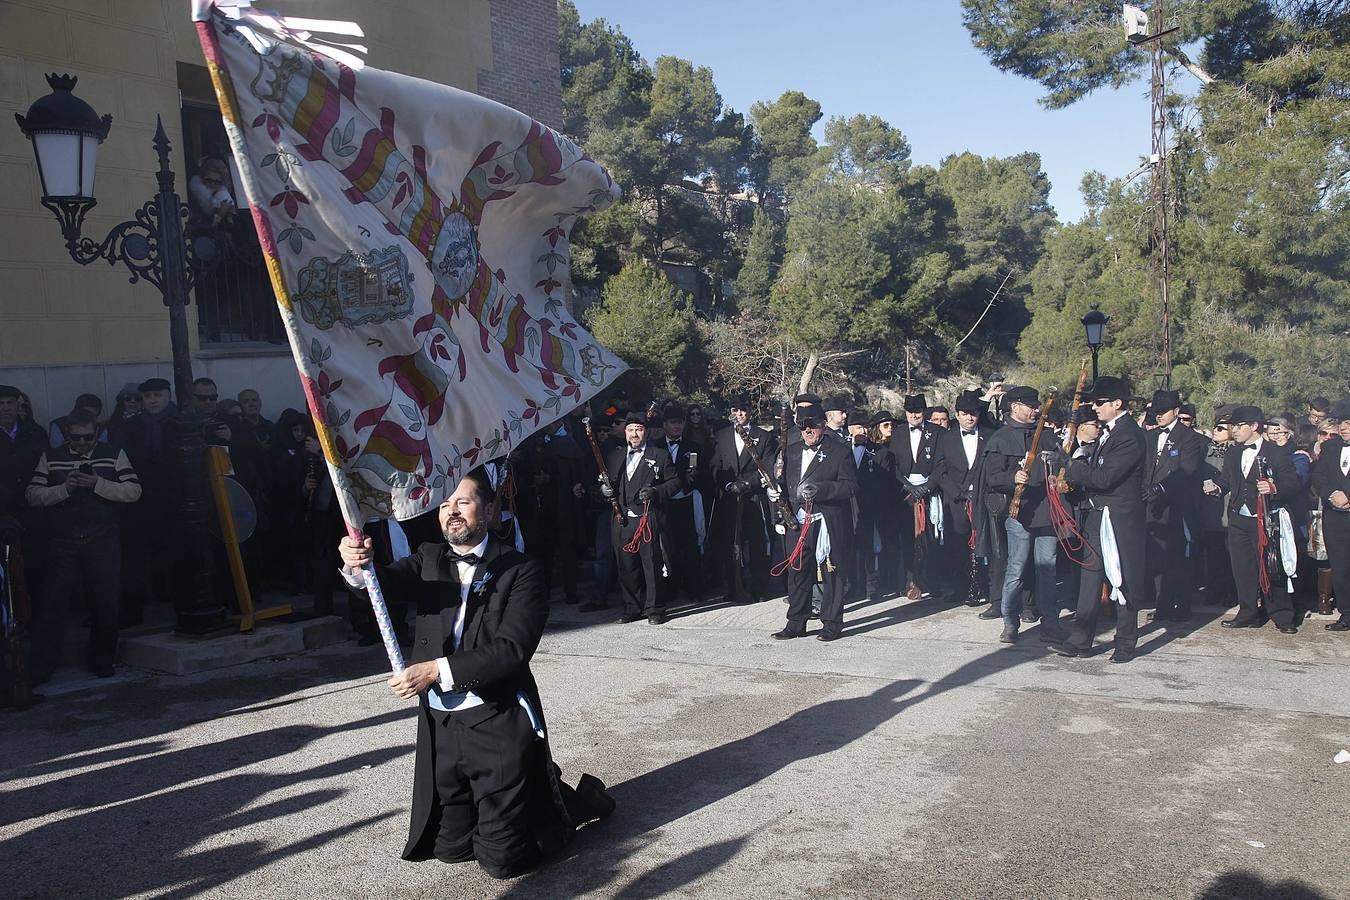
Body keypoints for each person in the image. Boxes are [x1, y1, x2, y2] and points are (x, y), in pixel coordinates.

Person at [337, 468, 613, 878]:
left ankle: (577, 805)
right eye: (445, 505)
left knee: (501, 863)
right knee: (450, 849)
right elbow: (379, 585)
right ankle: (536, 787)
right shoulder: (428, 557)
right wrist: (357, 566)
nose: (452, 512)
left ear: (488, 509)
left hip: (497, 719)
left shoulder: (522, 570)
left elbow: (512, 650)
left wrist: (434, 670)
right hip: (443, 726)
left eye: (462, 502)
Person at [26, 410, 142, 680]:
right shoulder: (51, 457)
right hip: (63, 540)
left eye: (88, 437)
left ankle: (102, 661)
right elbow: (32, 495)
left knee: (105, 603)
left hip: (102, 538)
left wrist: (97, 484)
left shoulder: (113, 453)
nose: (81, 443)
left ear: (96, 433)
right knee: (53, 604)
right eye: (75, 438)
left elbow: (134, 491)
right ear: (67, 434)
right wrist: (64, 489)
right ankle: (42, 667)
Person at [1055, 376, 1148, 663]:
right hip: (1099, 513)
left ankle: (1126, 641)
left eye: (1099, 402)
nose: (1093, 408)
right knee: (1090, 575)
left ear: (1116, 403)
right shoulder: (1109, 433)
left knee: (1122, 577)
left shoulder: (1130, 436)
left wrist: (1070, 465)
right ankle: (1081, 638)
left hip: (1120, 516)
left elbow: (1105, 478)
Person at [1205, 406, 1301, 633]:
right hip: (1238, 519)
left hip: (1265, 520)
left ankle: (1282, 616)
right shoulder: (1233, 452)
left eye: (1239, 426)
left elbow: (1293, 484)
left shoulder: (1276, 453)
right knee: (1242, 568)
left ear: (1254, 426)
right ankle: (1248, 612)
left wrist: (1273, 487)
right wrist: (1217, 487)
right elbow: (1227, 480)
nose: (1234, 431)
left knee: (1270, 566)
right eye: (1233, 426)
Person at [979, 386, 1061, 643]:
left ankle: (1050, 623)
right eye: (1030, 405)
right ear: (1015, 407)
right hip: (1020, 513)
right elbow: (992, 478)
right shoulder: (999, 438)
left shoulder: (1047, 436)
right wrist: (1011, 478)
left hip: (1047, 513)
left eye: (1037, 406)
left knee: (1048, 570)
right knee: (1015, 568)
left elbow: (1061, 465)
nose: (1036, 409)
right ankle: (1010, 622)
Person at [770, 403, 858, 642]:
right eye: (803, 427)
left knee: (832, 573)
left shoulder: (839, 451)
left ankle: (831, 623)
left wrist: (820, 490)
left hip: (827, 522)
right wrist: (776, 495)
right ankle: (796, 622)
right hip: (798, 522)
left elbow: (850, 487)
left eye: (812, 427)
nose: (808, 431)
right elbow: (783, 484)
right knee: (797, 571)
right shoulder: (790, 451)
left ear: (823, 425)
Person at [600, 413, 676, 624]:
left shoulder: (659, 455)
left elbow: (674, 482)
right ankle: (632, 607)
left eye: (639, 429)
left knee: (651, 564)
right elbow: (604, 483)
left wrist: (656, 491)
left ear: (647, 432)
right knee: (626, 565)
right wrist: (603, 491)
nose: (635, 434)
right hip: (622, 519)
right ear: (625, 433)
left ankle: (655, 609)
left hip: (647, 517)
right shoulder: (614, 456)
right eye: (631, 430)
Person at [1142, 389, 1207, 622]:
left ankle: (1182, 605)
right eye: (1155, 412)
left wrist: (1161, 488)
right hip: (1153, 506)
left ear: (1176, 412)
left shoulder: (1188, 437)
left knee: (1179, 557)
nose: (1158, 416)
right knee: (1158, 557)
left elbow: (1186, 470)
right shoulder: (1148, 437)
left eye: (1163, 412)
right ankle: (1163, 604)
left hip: (1178, 506)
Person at [708, 398, 778, 603]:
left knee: (758, 544)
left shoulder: (763, 437)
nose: (739, 414)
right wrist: (727, 485)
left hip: (754, 497)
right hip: (729, 497)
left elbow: (767, 467)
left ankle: (759, 587)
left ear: (749, 411)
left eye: (743, 409)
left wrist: (747, 484)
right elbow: (715, 466)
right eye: (735, 409)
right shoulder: (721, 436)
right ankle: (733, 586)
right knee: (731, 545)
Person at [934, 390, 994, 607]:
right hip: (956, 500)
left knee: (984, 542)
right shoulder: (946, 438)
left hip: (983, 498)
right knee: (957, 545)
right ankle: (959, 588)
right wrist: (958, 494)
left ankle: (985, 588)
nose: (970, 417)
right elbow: (940, 471)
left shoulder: (989, 435)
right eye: (965, 413)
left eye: (974, 413)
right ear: (957, 415)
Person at [895, 394, 941, 600]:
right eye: (910, 411)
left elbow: (942, 463)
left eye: (918, 411)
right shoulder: (899, 432)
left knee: (931, 538)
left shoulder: (937, 432)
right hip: (906, 493)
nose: (914, 415)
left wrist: (928, 487)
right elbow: (892, 464)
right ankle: (911, 581)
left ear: (924, 412)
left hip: (930, 490)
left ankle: (933, 580)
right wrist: (907, 486)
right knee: (909, 538)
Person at [1312, 401, 1349, 631]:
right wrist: (1332, 494)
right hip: (1334, 517)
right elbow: (1319, 478)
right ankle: (1347, 612)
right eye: (1343, 423)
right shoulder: (1331, 448)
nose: (1344, 428)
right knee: (1341, 567)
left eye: (1349, 423)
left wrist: (1348, 494)